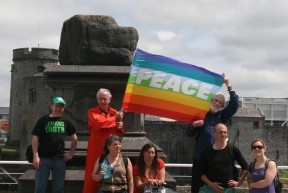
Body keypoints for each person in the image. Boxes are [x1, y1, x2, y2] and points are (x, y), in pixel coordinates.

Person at [186, 75, 239, 193]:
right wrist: (194, 125)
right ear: (211, 100)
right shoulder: (200, 114)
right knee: (196, 189)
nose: (218, 103)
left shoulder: (222, 116)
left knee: (216, 188)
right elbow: (189, 133)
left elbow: (235, 105)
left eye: (221, 102)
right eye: (216, 100)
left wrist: (228, 85)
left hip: (216, 160)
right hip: (200, 158)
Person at [31, 97, 78, 193]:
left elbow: (74, 138)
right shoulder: (43, 120)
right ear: (51, 106)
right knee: (40, 188)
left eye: (61, 106)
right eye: (56, 106)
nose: (58, 108)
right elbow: (35, 138)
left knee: (59, 188)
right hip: (43, 159)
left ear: (63, 109)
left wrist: (71, 154)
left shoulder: (66, 122)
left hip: (59, 160)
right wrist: (35, 156)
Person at [83, 88, 125, 193]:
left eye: (105, 99)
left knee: (109, 176)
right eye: (100, 99)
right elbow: (99, 124)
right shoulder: (92, 112)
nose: (102, 101)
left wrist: (120, 126)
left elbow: (120, 133)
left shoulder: (115, 113)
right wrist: (116, 120)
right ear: (97, 100)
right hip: (96, 150)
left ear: (109, 100)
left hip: (110, 150)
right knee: (93, 175)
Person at [199, 123, 248, 193]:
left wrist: (239, 182)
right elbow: (200, 172)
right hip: (208, 189)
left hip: (228, 190)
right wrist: (211, 184)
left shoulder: (233, 150)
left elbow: (245, 166)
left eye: (225, 132)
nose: (223, 134)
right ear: (214, 134)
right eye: (220, 132)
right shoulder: (206, 151)